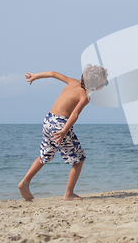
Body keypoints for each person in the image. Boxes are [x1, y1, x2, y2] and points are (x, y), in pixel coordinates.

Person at [18, 65, 109, 200]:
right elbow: (74, 114)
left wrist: (35, 76)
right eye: (104, 83)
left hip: (48, 120)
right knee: (79, 160)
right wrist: (64, 131)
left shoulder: (73, 81)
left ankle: (24, 182)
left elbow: (53, 73)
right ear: (97, 87)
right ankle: (68, 194)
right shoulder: (84, 97)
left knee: (45, 155)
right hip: (61, 125)